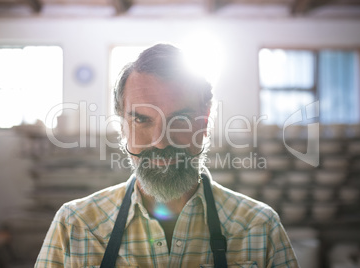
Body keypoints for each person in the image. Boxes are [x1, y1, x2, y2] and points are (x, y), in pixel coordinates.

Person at [35, 44, 299, 267]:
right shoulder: (75, 226)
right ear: (122, 125)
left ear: (204, 123)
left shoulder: (260, 229)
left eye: (180, 120)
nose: (160, 142)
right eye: (141, 119)